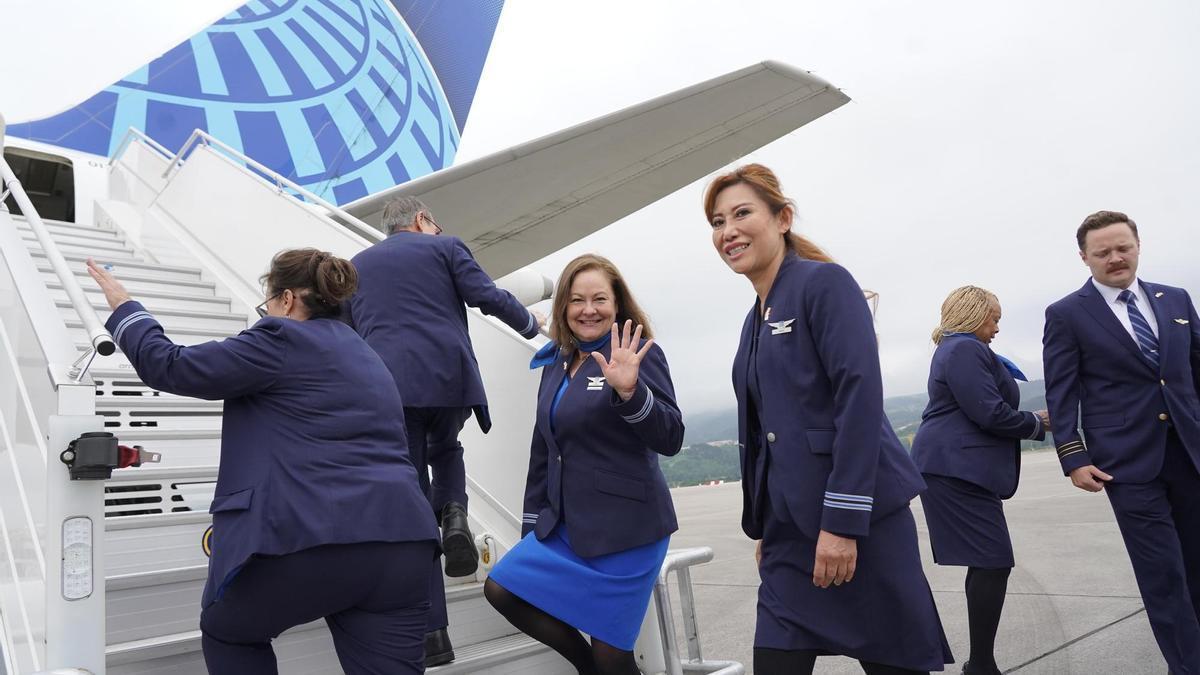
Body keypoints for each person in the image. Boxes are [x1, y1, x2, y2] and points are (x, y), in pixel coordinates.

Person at [85, 250, 439, 675]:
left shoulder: (280, 339)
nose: (265, 314)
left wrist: (125, 309)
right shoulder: (369, 357)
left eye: (267, 305)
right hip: (403, 545)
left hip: (312, 540)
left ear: (286, 300)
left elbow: (171, 366)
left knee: (228, 631)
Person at [705, 164, 952, 675]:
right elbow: (768, 433)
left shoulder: (824, 285)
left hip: (856, 524)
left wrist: (840, 523)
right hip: (789, 540)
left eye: (741, 213)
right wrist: (767, 529)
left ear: (783, 218)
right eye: (717, 221)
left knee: (894, 664)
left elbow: (859, 401)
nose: (727, 231)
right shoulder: (755, 318)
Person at [345, 196, 544, 665]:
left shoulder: (357, 267)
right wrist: (530, 323)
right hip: (449, 379)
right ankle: (455, 514)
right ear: (421, 220)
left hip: (391, 388)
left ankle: (434, 636)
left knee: (413, 502)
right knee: (448, 447)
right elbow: (487, 297)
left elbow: (349, 331)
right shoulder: (446, 247)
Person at [483, 254, 683, 675]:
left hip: (627, 530)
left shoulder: (638, 353)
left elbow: (671, 438)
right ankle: (586, 668)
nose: (588, 310)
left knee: (614, 657)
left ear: (617, 305)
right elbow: (545, 451)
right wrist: (531, 527)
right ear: (564, 309)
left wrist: (631, 394)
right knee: (502, 588)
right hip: (566, 528)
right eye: (576, 300)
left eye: (599, 299)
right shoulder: (556, 362)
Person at [1042, 210, 1200, 673]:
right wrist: (1073, 456)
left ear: (1137, 245)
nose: (1115, 258)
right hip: (1126, 464)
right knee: (1163, 574)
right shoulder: (1067, 314)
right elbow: (1061, 390)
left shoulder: (1175, 298)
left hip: (1190, 453)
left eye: (1122, 247)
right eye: (1103, 252)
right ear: (1084, 258)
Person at [910, 286, 1049, 675]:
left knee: (989, 561)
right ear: (972, 314)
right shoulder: (964, 349)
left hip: (958, 467)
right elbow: (989, 412)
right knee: (993, 560)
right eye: (994, 318)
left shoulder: (959, 349)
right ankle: (981, 665)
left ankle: (982, 663)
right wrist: (1037, 423)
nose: (998, 327)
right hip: (954, 468)